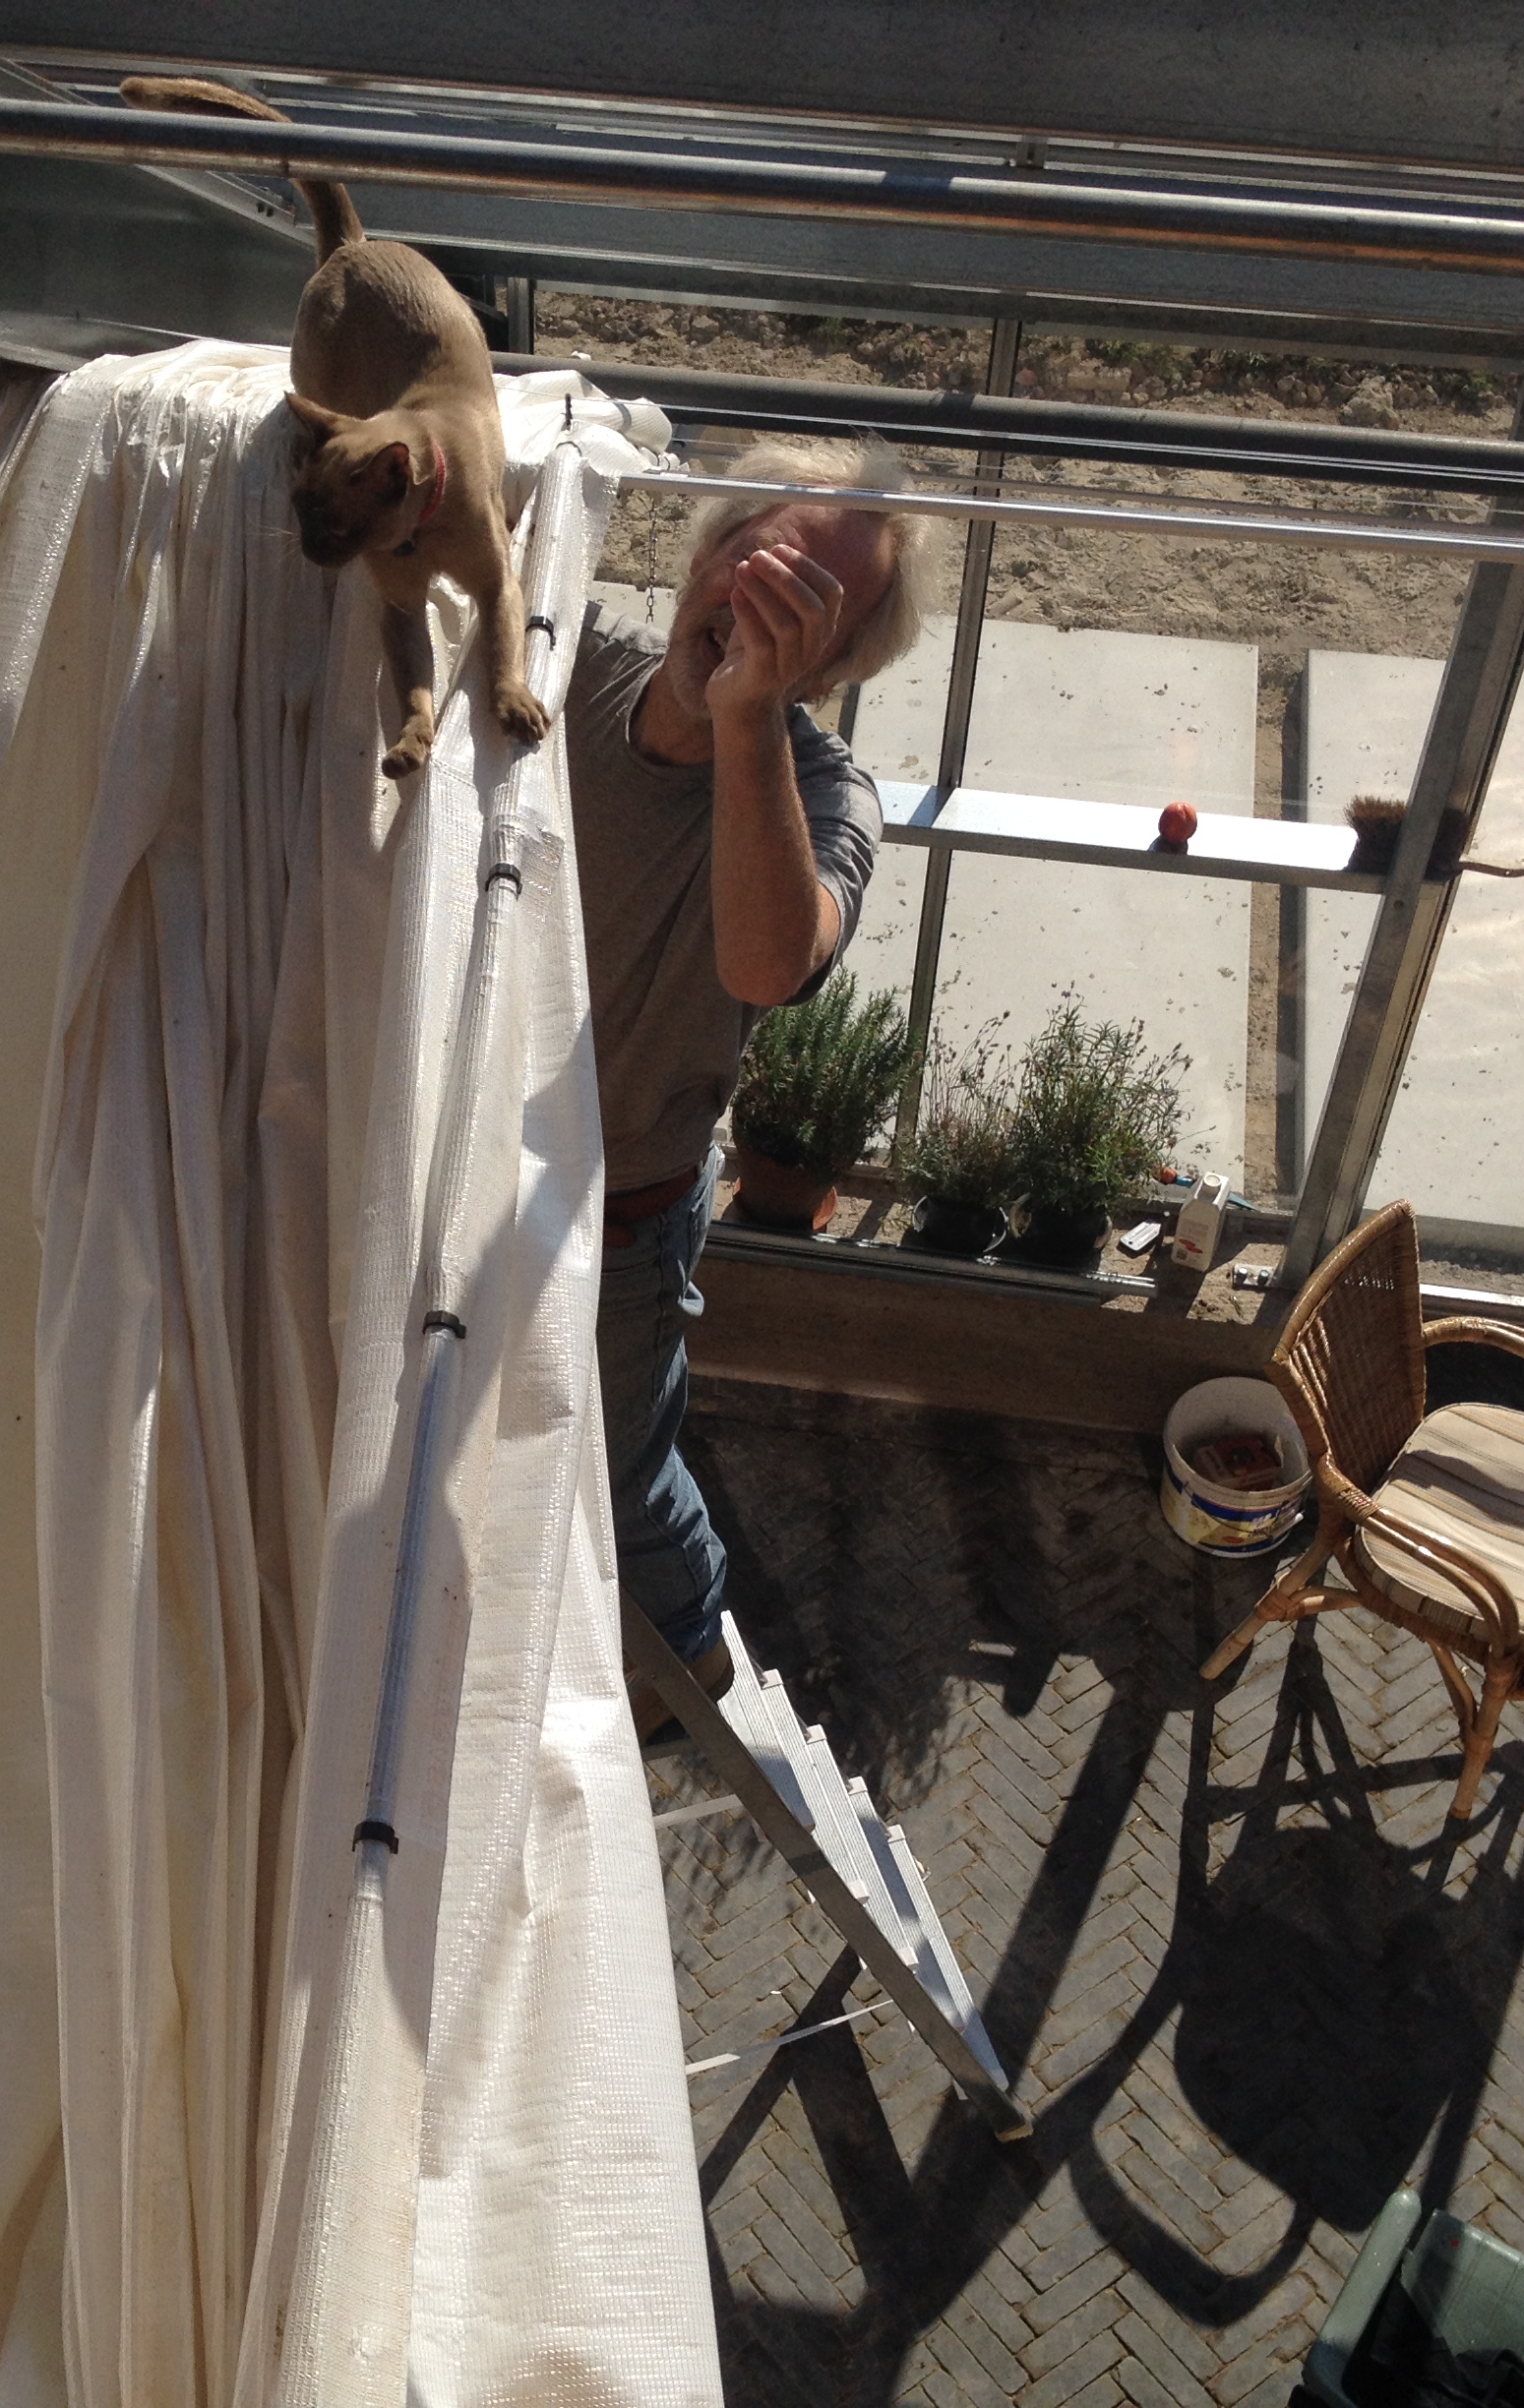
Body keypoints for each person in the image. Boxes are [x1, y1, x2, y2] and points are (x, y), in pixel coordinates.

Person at [566, 435, 939, 1726]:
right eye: (749, 551)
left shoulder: (826, 795)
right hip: (461, 1163)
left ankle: (690, 1657)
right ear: (700, 553)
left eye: (806, 603)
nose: (755, 595)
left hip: (622, 1214)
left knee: (620, 1471)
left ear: (831, 670)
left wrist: (744, 720)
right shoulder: (570, 662)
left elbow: (770, 962)